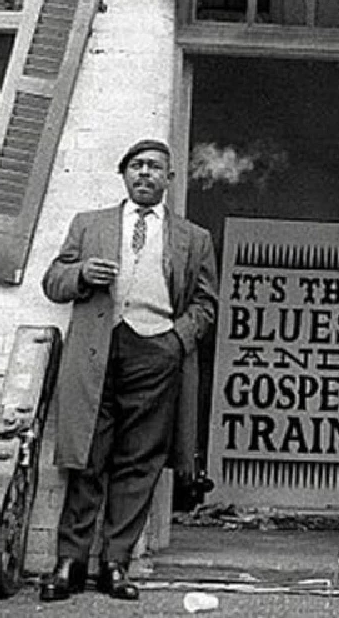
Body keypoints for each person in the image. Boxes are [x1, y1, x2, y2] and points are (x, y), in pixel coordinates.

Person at [40, 139, 218, 602]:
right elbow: (53, 283)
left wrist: (176, 340)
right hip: (98, 348)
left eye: (156, 168)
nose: (146, 174)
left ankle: (115, 563)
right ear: (124, 174)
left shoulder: (193, 238)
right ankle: (70, 562)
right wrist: (81, 274)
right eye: (137, 166)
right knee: (87, 458)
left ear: (168, 179)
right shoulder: (90, 224)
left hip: (156, 352)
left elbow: (206, 303)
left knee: (140, 462)